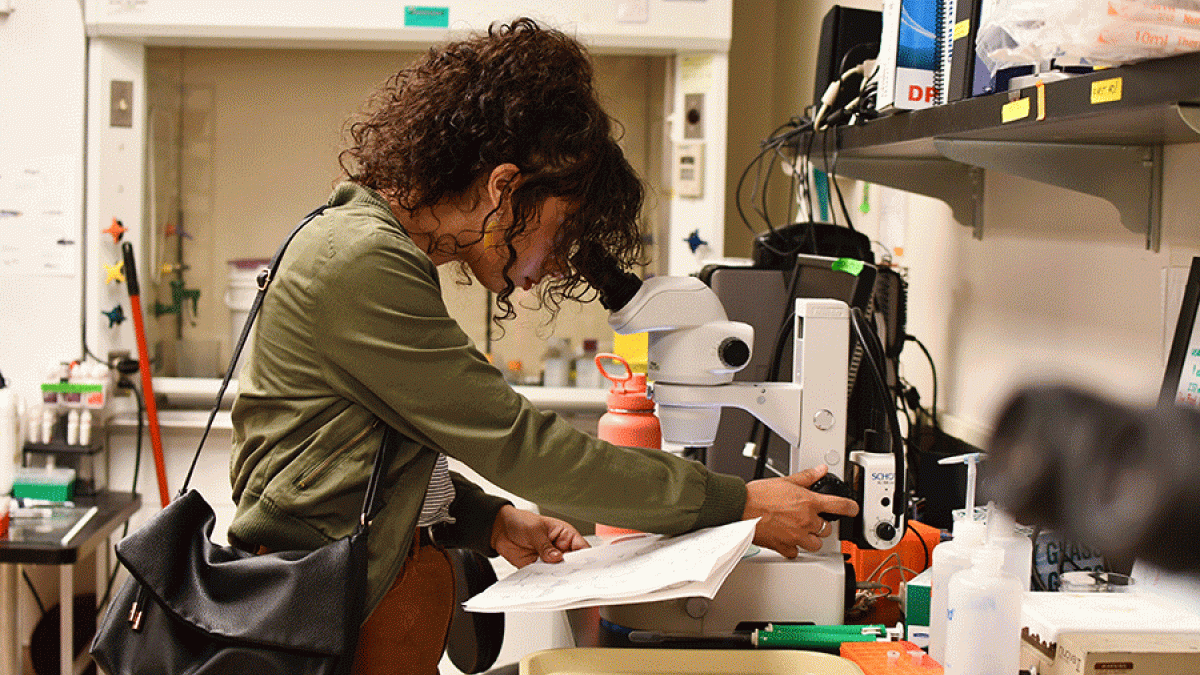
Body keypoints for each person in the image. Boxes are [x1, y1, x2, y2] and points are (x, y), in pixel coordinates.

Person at [227, 18, 860, 674]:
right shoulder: (360, 260)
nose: (558, 267)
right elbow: (523, 446)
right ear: (504, 189)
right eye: (559, 235)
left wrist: (489, 518)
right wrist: (739, 500)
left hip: (356, 608)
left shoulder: (381, 251)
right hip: (311, 627)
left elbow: (368, 456)